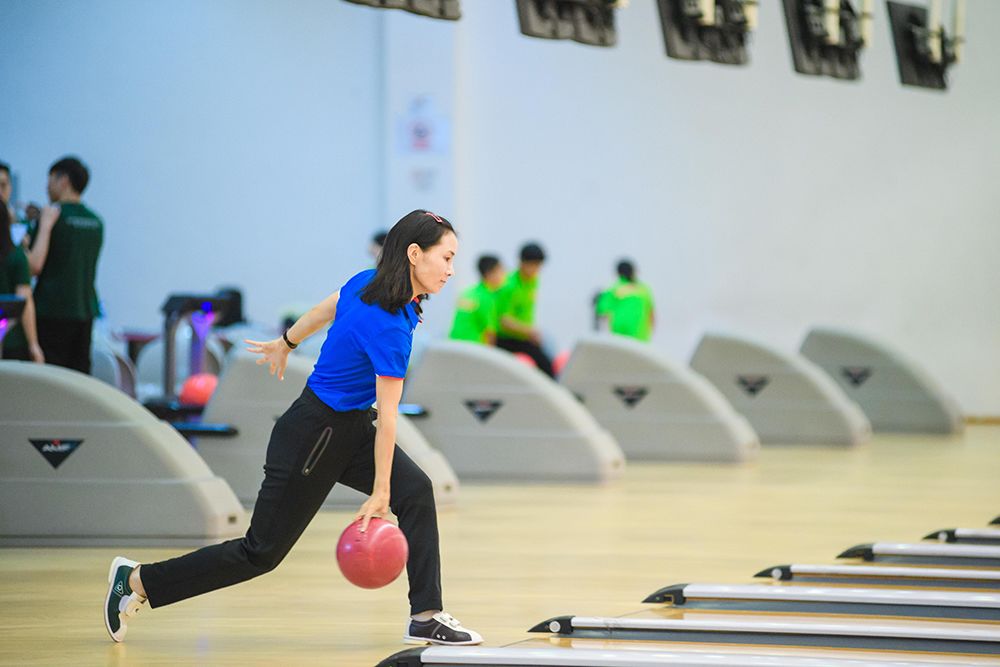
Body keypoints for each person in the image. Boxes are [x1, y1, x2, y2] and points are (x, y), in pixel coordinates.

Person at [102, 209, 483, 647]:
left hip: (346, 425)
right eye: (447, 258)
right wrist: (380, 491)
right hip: (315, 437)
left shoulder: (367, 281)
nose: (452, 271)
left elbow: (327, 307)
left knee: (416, 491)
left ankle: (425, 616)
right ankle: (136, 581)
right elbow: (390, 416)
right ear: (415, 254)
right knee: (260, 552)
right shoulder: (391, 326)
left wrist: (287, 342)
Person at [24, 156, 103, 373]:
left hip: (52, 310)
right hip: (85, 310)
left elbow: (32, 265)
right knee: (80, 378)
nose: (46, 186)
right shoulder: (96, 222)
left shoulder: (50, 218)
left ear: (63, 180)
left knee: (52, 379)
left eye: (50, 179)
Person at [494, 242, 554, 376]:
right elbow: (504, 320)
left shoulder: (533, 281)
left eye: (538, 266)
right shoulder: (508, 285)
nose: (536, 270)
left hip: (523, 337)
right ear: (521, 262)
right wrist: (529, 331)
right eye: (532, 265)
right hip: (504, 338)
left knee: (547, 367)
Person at [0, 201, 44, 362]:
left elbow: (24, 301)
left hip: (10, 341)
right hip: (12, 341)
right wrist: (33, 344)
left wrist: (33, 344)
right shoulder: (17, 255)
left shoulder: (16, 256)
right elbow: (24, 300)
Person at [448, 254, 505, 345]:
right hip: (472, 349)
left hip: (453, 345)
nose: (504, 275)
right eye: (501, 271)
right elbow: (490, 334)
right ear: (490, 274)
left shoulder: (468, 293)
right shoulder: (487, 298)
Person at [596, 259, 655, 342]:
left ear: (618, 274)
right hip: (641, 338)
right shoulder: (643, 289)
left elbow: (601, 311)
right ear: (634, 271)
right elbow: (651, 314)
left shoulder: (614, 290)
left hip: (621, 338)